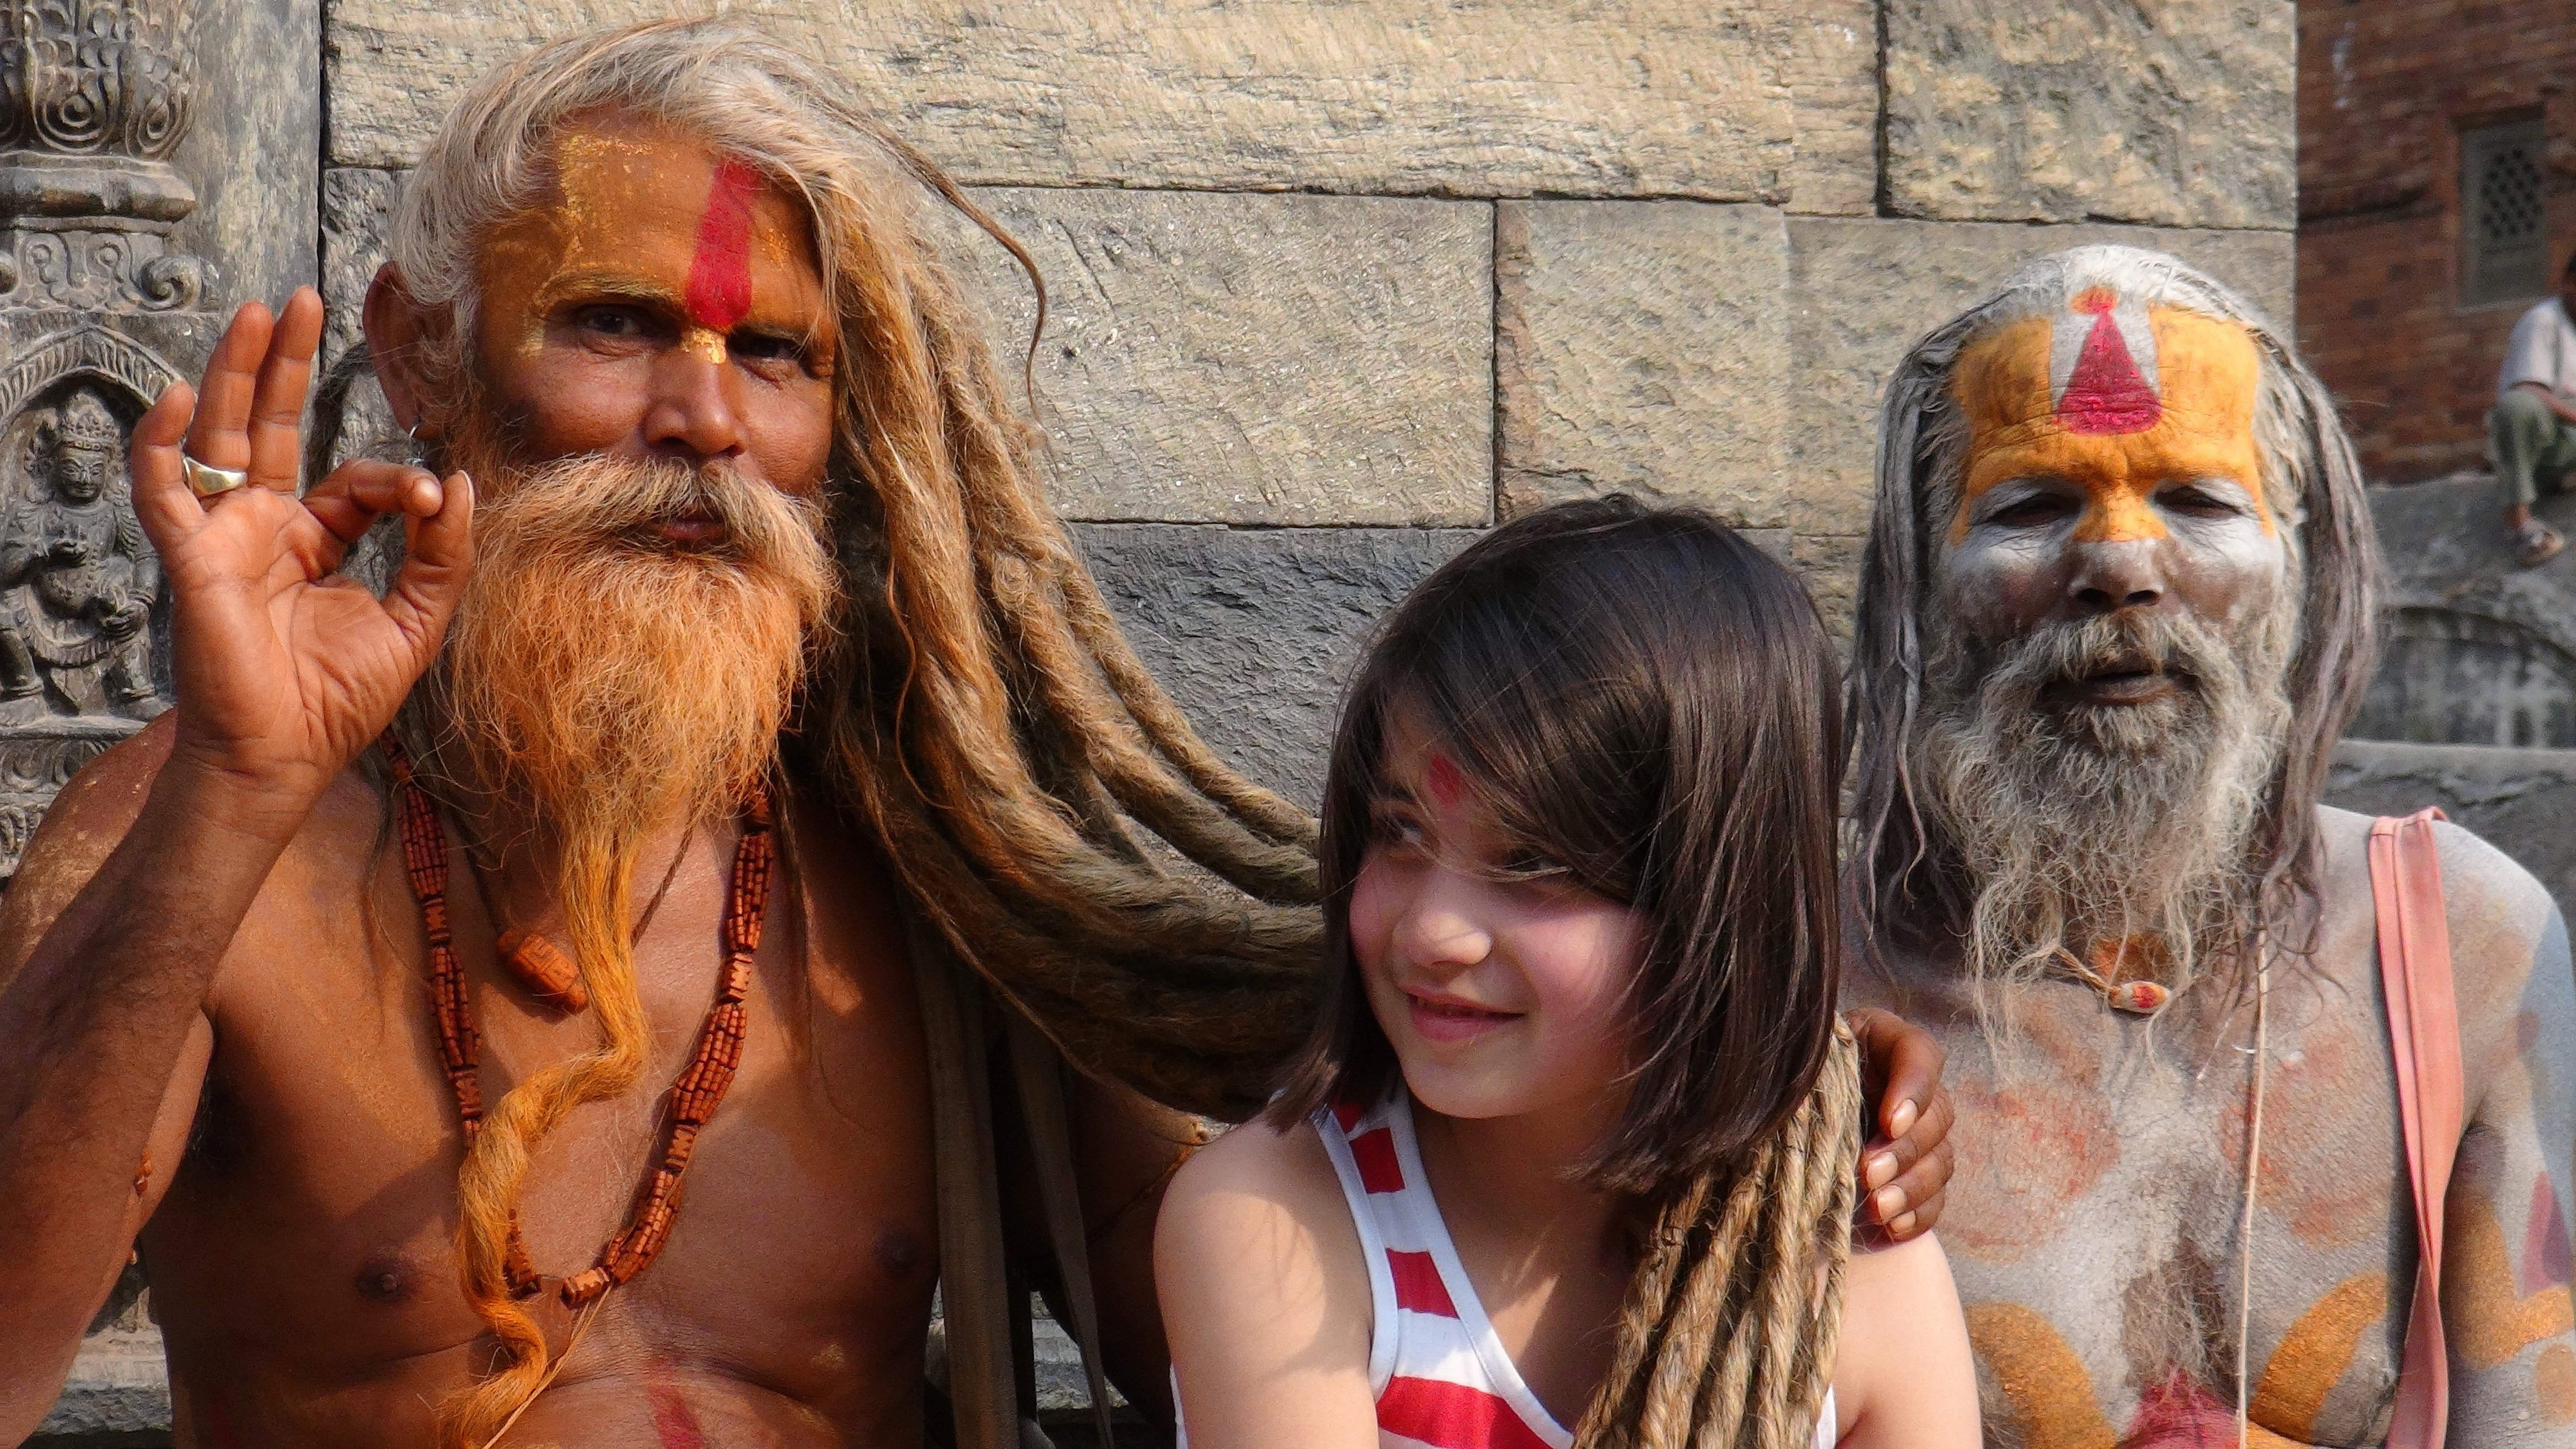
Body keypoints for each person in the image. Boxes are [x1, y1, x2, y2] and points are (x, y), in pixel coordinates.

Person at [0, 22, 1960, 1449]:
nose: (704, 418)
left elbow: (1214, 1296)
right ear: (424, 347)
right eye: (611, 324)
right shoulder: (195, 838)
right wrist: (239, 782)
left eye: (776, 357)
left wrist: (1743, 1055)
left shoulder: (930, 851)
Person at [1848, 244, 2576, 1446]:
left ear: (2296, 564)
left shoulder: (2465, 946)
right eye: (2030, 507)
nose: (2121, 567)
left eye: (2196, 501)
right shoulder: (1807, 978)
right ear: (1921, 579)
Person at [1157, 499, 1981, 1449]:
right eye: (1400, 831)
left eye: (1532, 865)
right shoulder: (1281, 1218)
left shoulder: (1846, 1261)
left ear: (1720, 907)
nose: (1433, 929)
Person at [2494, 253, 2576, 566]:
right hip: (2546, 448)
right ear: (2570, 283)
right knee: (2517, 408)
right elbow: (2527, 388)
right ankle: (2520, 526)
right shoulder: (2543, 321)